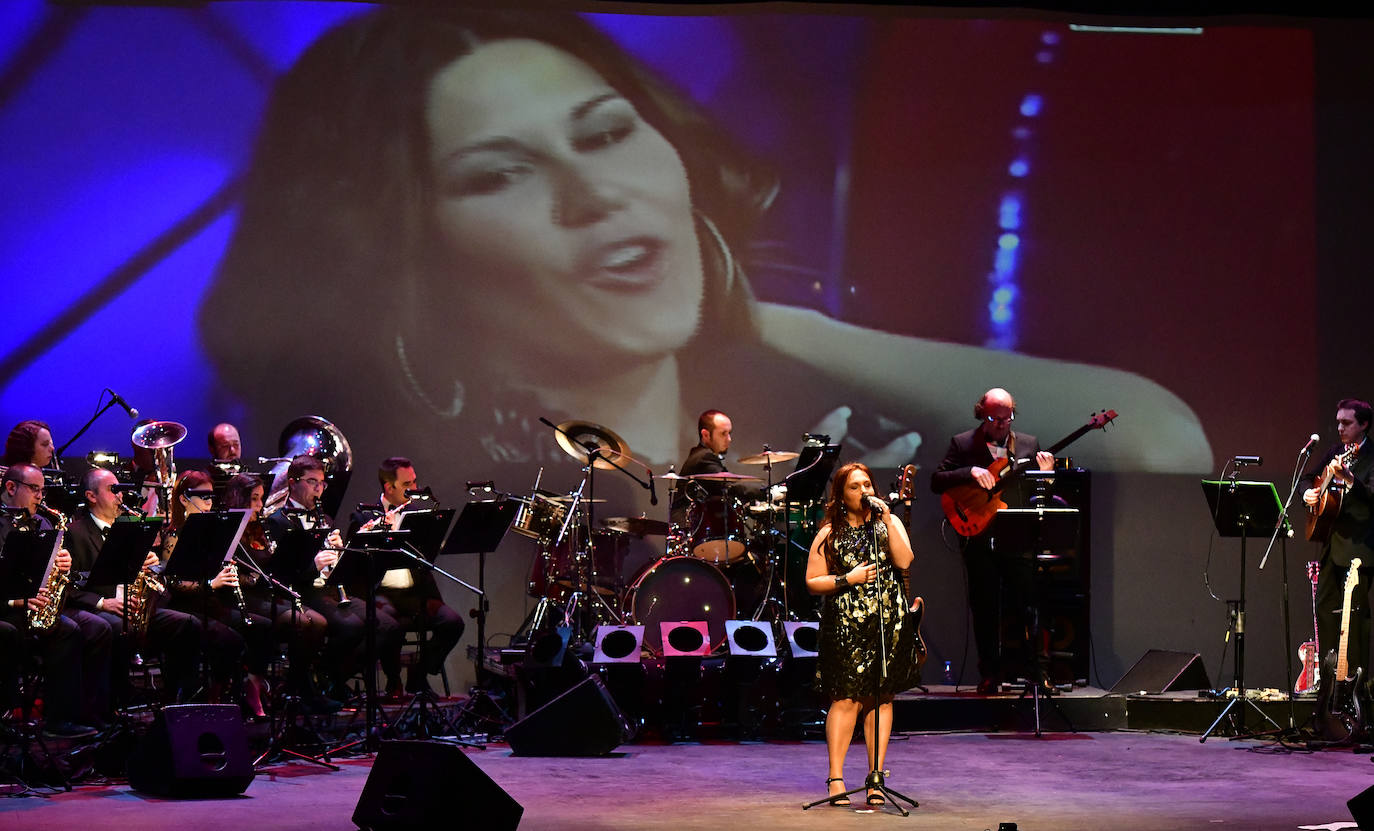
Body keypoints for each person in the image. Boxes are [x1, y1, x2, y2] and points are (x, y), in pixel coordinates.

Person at [198, 7, 1210, 494]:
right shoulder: (394, 492)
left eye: (605, 134)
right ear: (403, 255)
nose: (595, 194)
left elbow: (1160, 449)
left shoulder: (819, 430)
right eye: (500, 174)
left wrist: (772, 317)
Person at [805, 461, 918, 807]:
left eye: (867, 484)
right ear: (840, 495)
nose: (864, 492)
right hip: (846, 624)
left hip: (887, 622)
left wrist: (886, 518)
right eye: (854, 487)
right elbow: (812, 581)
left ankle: (876, 779)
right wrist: (848, 579)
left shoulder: (889, 522)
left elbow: (905, 560)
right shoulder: (829, 532)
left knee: (881, 696)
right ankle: (836, 779)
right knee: (846, 699)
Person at [929, 387, 1055, 694]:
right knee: (984, 607)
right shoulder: (963, 443)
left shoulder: (1027, 444)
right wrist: (969, 472)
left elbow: (1038, 496)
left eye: (1007, 417)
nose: (1001, 423)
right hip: (978, 535)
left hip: (1016, 534)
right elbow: (936, 481)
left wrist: (1046, 477)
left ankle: (1038, 673)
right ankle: (990, 674)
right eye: (993, 418)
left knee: (1030, 604)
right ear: (980, 414)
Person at [63, 466, 203, 706]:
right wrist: (103, 603)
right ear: (91, 496)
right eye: (113, 490)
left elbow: (155, 580)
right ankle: (113, 703)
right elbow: (68, 585)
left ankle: (178, 702)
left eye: (121, 491)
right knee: (118, 629)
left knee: (188, 624)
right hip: (101, 610)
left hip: (136, 608)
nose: (121, 496)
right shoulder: (74, 533)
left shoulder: (132, 526)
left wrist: (154, 566)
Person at [0, 464, 111, 736]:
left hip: (37, 603)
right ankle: (53, 719)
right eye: (34, 489)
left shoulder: (44, 522)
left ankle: (89, 714)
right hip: (7, 606)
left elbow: (61, 574)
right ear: (11, 487)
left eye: (42, 490)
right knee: (66, 631)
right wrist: (17, 601)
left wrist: (63, 564)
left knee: (97, 628)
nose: (40, 496)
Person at [262, 455, 380, 706]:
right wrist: (313, 564)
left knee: (379, 623)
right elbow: (282, 572)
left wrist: (342, 550)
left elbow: (337, 568)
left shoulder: (324, 519)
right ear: (292, 483)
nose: (318, 488)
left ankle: (328, 675)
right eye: (312, 481)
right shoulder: (278, 521)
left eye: (322, 483)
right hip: (301, 592)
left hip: (327, 589)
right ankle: (309, 683)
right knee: (350, 627)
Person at [346, 457, 464, 698]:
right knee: (392, 626)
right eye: (407, 484)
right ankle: (393, 681)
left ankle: (418, 675)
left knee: (453, 622)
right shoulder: (363, 517)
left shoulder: (417, 514)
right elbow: (352, 562)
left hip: (413, 592)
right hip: (380, 592)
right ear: (389, 487)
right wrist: (379, 531)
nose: (414, 488)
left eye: (415, 481)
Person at [163, 470, 270, 718]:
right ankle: (212, 698)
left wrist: (247, 577)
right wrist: (212, 583)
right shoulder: (174, 535)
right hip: (185, 607)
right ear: (183, 499)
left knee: (262, 627)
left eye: (211, 497)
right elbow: (176, 583)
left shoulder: (213, 531)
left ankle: (247, 688)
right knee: (229, 640)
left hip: (211, 603)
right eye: (203, 497)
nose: (209, 503)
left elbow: (226, 572)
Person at [1300, 398, 1374, 683]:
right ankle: (1330, 682)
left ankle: (1356, 685)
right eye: (1338, 421)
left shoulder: (1371, 456)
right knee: (1324, 609)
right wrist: (1308, 494)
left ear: (1364, 424)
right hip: (1333, 545)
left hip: (1360, 550)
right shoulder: (1335, 452)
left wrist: (1351, 480)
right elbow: (1308, 477)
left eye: (1347, 423)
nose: (1339, 427)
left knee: (1354, 619)